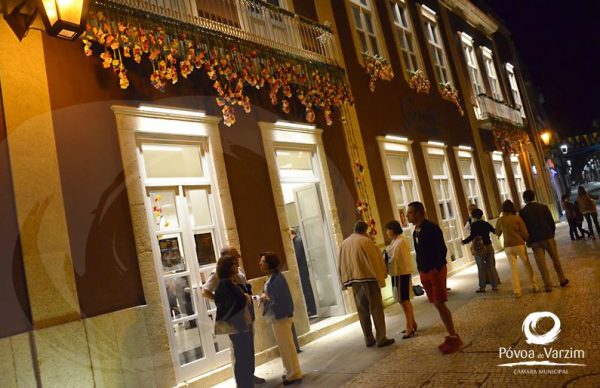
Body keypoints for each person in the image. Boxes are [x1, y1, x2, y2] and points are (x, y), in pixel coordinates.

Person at [202, 246, 265, 384]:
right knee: (240, 352)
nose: (240, 257)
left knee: (248, 348)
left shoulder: (238, 270)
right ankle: (242, 380)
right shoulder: (218, 274)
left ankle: (250, 375)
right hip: (236, 318)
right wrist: (223, 302)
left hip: (246, 314)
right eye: (236, 255)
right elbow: (205, 291)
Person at [406, 201, 462, 354]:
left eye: (410, 213)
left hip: (434, 270)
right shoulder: (415, 230)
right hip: (424, 271)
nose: (407, 215)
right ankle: (452, 335)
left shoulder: (431, 228)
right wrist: (420, 269)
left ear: (418, 213)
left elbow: (441, 248)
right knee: (437, 304)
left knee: (440, 302)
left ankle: (453, 336)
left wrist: (436, 268)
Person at [338, 221, 395, 348]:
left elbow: (341, 263)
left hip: (354, 282)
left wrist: (344, 280)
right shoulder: (366, 241)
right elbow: (375, 261)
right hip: (369, 280)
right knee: (376, 309)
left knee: (362, 311)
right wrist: (381, 277)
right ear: (365, 230)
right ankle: (381, 338)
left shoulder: (344, 243)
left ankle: (368, 339)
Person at [259, 252, 303, 385]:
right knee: (284, 346)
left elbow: (278, 299)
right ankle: (289, 370)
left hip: (281, 316)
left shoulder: (277, 279)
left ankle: (294, 373)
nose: (260, 263)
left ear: (269, 264)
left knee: (287, 346)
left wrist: (265, 299)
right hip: (278, 316)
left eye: (262, 261)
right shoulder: (273, 277)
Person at [214, 255, 254, 388]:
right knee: (243, 358)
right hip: (238, 326)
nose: (237, 266)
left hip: (239, 326)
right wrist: (246, 297)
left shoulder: (226, 283)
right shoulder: (227, 284)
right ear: (229, 268)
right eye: (234, 264)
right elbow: (239, 302)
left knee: (243, 357)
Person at [519, 190, 569, 292]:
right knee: (555, 259)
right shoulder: (543, 207)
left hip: (534, 241)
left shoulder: (522, 212)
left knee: (541, 264)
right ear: (534, 196)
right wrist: (551, 234)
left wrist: (528, 240)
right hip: (548, 236)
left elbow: (524, 228)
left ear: (524, 199)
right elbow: (551, 222)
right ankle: (562, 279)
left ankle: (548, 286)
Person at [495, 200, 539, 298]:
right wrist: (522, 236)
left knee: (513, 269)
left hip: (507, 246)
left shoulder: (500, 220)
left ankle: (517, 291)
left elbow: (497, 232)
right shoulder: (517, 218)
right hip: (519, 244)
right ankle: (534, 285)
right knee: (527, 264)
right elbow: (526, 233)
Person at [385, 220, 417, 339]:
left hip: (401, 273)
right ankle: (412, 323)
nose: (387, 232)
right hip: (397, 273)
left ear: (393, 229)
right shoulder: (395, 241)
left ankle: (410, 326)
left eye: (388, 229)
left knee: (404, 299)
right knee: (401, 299)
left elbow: (395, 259)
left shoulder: (400, 241)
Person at [462, 208, 499, 293]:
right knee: (491, 267)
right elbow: (495, 231)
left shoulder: (474, 225)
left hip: (480, 248)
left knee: (481, 267)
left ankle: (482, 287)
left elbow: (472, 236)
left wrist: (464, 242)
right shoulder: (486, 223)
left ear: (473, 216)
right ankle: (495, 286)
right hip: (489, 246)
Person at [290, 229, 317, 317]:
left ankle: (312, 308)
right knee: (306, 289)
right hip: (302, 269)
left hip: (303, 269)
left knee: (307, 289)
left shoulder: (298, 241)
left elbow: (298, 256)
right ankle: (311, 308)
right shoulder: (296, 241)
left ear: (292, 234)